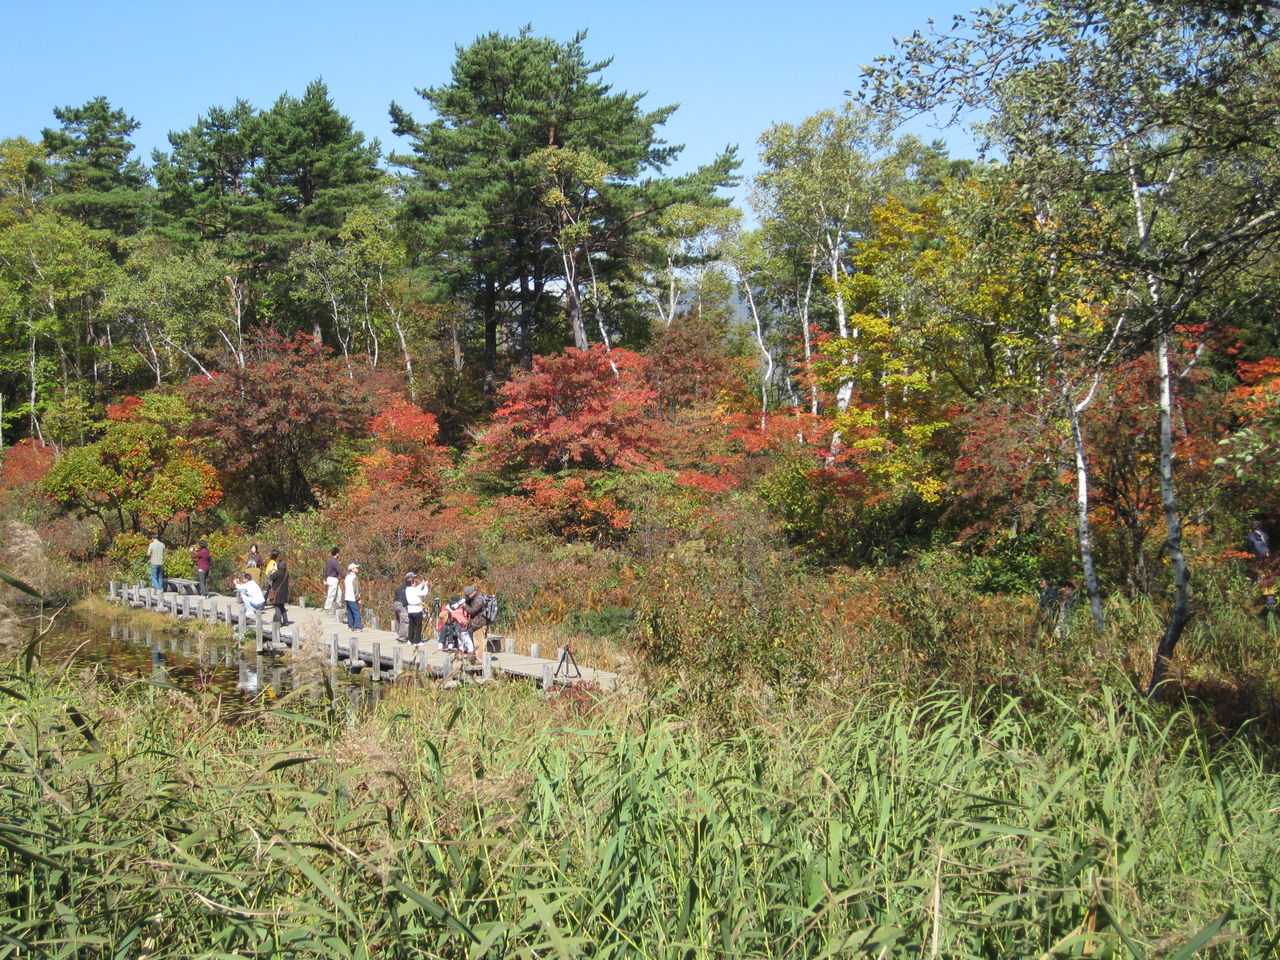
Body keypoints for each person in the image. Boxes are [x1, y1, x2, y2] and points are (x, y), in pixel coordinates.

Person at [462, 585, 492, 653]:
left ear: (473, 593)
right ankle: (483, 659)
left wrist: (464, 606)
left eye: (468, 595)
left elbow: (472, 611)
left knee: (478, 642)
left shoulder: (479, 600)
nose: (467, 597)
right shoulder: (476, 597)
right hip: (480, 622)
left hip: (480, 623)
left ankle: (480, 660)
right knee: (482, 641)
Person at [406, 574, 431, 645]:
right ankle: (417, 641)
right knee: (418, 625)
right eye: (414, 582)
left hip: (410, 609)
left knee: (411, 625)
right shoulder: (414, 590)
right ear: (412, 583)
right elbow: (424, 593)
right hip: (416, 609)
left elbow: (416, 588)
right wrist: (425, 585)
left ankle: (410, 639)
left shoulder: (407, 589)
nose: (415, 583)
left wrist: (422, 584)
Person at [266, 551, 291, 625]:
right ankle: (286, 621)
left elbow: (270, 577)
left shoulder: (278, 572)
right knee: (282, 606)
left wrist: (271, 571)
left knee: (277, 607)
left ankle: (277, 621)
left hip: (277, 592)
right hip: (284, 592)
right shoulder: (286, 572)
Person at [393, 572, 414, 640]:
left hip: (396, 603)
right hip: (402, 604)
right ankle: (402, 637)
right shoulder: (409, 588)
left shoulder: (401, 587)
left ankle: (399, 634)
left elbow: (396, 592)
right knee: (405, 621)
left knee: (398, 620)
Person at [343, 562, 364, 631]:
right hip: (353, 597)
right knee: (356, 612)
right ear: (352, 569)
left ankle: (351, 626)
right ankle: (358, 627)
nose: (357, 569)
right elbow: (356, 589)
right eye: (355, 568)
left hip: (347, 597)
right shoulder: (354, 578)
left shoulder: (347, 577)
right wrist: (358, 598)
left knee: (350, 612)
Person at [322, 547, 342, 612]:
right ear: (337, 553)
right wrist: (345, 577)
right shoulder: (334, 561)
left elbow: (326, 570)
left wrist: (325, 578)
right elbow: (339, 570)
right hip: (333, 579)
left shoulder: (329, 560)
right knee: (332, 593)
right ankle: (327, 607)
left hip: (330, 578)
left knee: (339, 593)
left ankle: (337, 606)